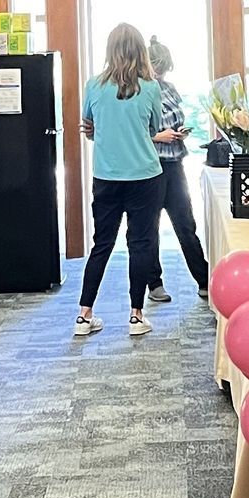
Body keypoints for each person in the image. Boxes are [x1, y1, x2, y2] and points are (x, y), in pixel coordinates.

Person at [75, 24, 165, 340]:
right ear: (141, 51)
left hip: (106, 177)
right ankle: (136, 316)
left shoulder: (93, 86)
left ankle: (84, 315)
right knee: (140, 244)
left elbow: (89, 126)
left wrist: (99, 132)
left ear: (109, 50)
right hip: (145, 177)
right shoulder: (151, 88)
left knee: (102, 244)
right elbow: (154, 128)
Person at [143, 37, 208, 305]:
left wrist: (180, 133)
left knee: (186, 224)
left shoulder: (169, 89)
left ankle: (204, 280)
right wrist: (158, 137)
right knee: (150, 229)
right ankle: (154, 283)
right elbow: (134, 133)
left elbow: (176, 120)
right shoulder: (140, 92)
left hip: (175, 165)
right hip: (150, 167)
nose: (161, 73)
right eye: (158, 68)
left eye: (165, 68)